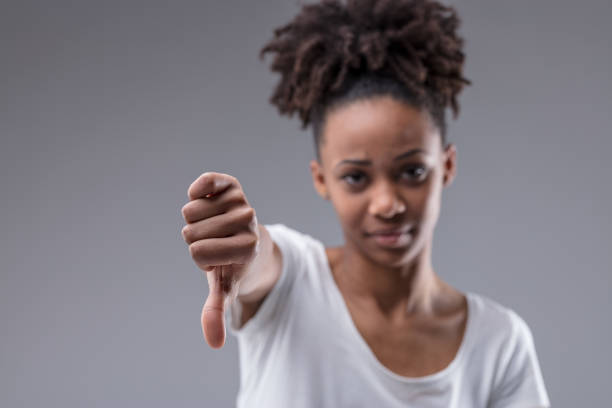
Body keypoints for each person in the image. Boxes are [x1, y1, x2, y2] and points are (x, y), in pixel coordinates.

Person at [180, 0, 551, 406]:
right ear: (322, 179)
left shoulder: (498, 344)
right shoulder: (292, 283)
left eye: (412, 172)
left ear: (446, 166)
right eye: (356, 177)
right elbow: (261, 261)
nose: (387, 203)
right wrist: (242, 251)